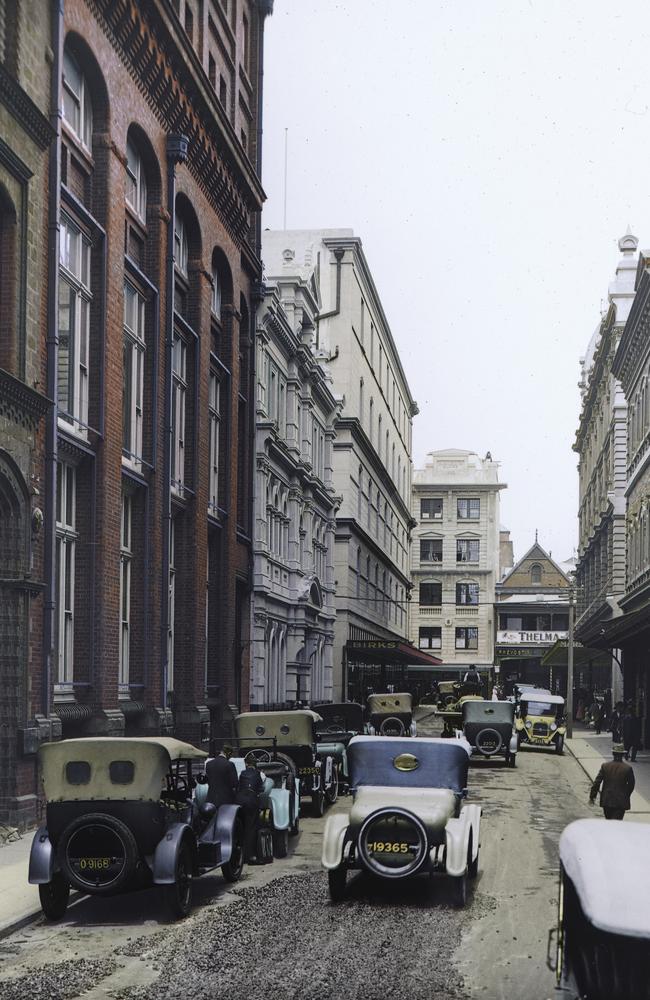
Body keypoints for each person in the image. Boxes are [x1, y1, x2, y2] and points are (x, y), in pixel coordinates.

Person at [589, 744, 635, 820]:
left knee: (609, 821)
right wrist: (626, 795)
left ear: (613, 754)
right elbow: (631, 785)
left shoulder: (605, 766)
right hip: (620, 802)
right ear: (623, 754)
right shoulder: (627, 768)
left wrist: (592, 796)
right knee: (616, 824)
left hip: (607, 800)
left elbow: (597, 783)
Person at [236, 753, 266, 862]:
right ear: (255, 764)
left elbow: (239, 786)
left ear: (246, 764)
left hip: (239, 800)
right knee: (252, 827)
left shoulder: (242, 774)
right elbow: (261, 788)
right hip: (251, 801)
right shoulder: (258, 774)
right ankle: (251, 855)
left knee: (241, 827)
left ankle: (240, 854)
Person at [205, 743, 238, 809]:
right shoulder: (230, 764)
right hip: (226, 800)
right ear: (228, 753)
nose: (230, 758)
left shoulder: (209, 764)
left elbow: (208, 781)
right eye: (230, 755)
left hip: (211, 799)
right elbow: (234, 783)